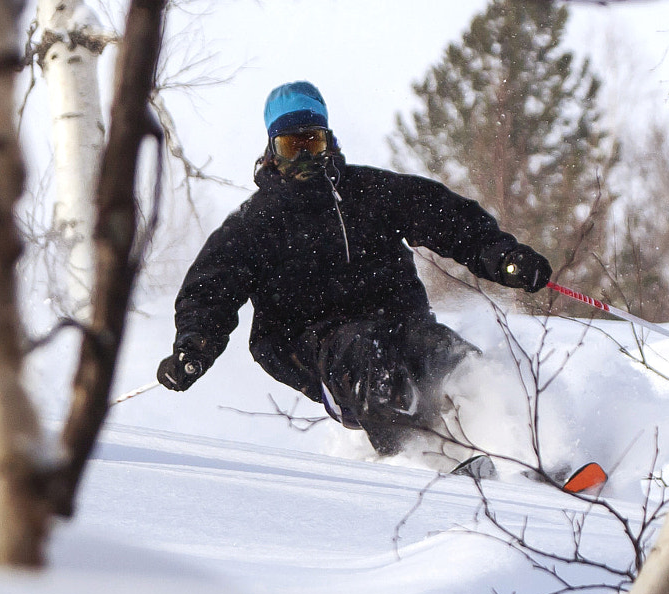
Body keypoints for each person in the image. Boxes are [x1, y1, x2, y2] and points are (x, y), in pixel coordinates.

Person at [157, 81, 553, 476]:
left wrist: (503, 257)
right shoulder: (256, 223)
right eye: (290, 147)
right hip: (312, 342)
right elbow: (210, 289)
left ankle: (522, 448)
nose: (303, 158)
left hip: (399, 320)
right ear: (271, 151)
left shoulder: (370, 192)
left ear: (327, 141)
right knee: (366, 356)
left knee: (445, 352)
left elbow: (448, 219)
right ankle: (421, 458)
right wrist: (195, 348)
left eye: (311, 143)